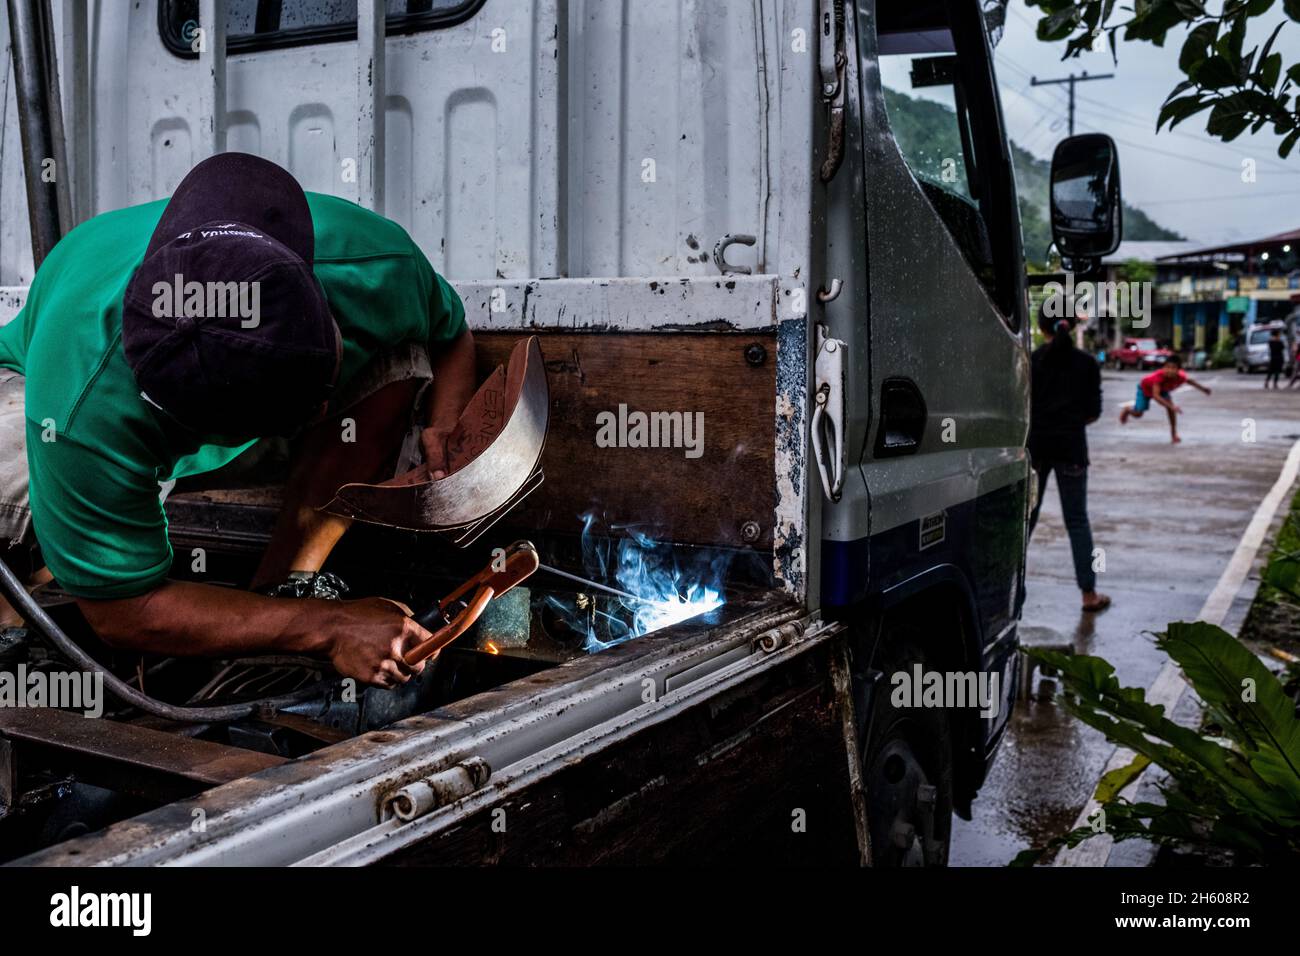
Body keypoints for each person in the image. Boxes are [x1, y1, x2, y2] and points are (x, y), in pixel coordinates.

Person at [0, 153, 478, 688]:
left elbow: (450, 334)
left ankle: (285, 585)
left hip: (163, 415)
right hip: (33, 391)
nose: (326, 409)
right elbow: (123, 612)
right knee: (20, 492)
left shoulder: (366, 262)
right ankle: (12, 622)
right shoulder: (81, 409)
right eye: (311, 404)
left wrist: (446, 423)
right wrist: (330, 628)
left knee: (401, 357)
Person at [1027, 306, 1111, 613]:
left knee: (1027, 519)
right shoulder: (1087, 363)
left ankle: (1012, 590)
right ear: (1073, 325)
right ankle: (1089, 595)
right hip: (1072, 449)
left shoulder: (1032, 360)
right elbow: (1093, 412)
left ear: (1042, 327)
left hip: (1036, 449)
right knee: (1077, 521)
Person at [1119, 353, 1211, 443]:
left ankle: (1174, 434)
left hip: (1162, 390)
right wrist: (1171, 406)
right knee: (1138, 414)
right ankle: (1127, 410)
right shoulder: (1159, 377)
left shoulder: (1181, 377)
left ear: (1178, 370)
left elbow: (1190, 381)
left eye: (1173, 368)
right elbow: (1156, 396)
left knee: (1171, 409)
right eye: (1167, 367)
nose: (1169, 370)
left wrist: (1203, 389)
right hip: (1145, 389)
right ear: (1163, 368)